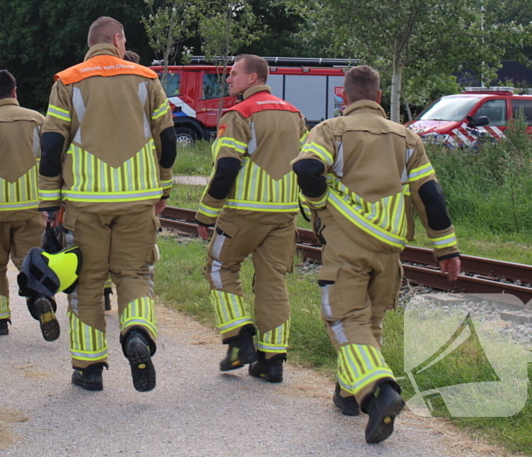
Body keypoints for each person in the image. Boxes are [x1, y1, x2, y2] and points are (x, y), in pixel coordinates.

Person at [292, 65, 462, 445]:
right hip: (389, 249)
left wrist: (319, 203)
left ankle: (379, 390)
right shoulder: (407, 139)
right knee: (369, 321)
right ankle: (348, 395)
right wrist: (445, 249)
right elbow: (430, 197)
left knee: (342, 318)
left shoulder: (331, 130)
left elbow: (306, 167)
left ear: (344, 96)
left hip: (347, 246)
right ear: (380, 97)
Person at [39, 16, 177, 392]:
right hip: (137, 202)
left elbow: (51, 146)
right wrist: (162, 188)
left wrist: (50, 201)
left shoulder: (67, 81)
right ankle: (137, 332)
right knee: (135, 274)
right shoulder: (147, 79)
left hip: (86, 203)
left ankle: (89, 368)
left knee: (87, 282)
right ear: (117, 39)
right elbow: (168, 138)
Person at [194, 55, 307, 384]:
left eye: (233, 74)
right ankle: (272, 362)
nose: (228, 80)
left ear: (253, 77)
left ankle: (238, 338)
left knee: (219, 267)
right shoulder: (295, 114)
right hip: (284, 214)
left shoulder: (239, 114)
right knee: (273, 281)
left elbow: (227, 167)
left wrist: (208, 211)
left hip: (244, 212)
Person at [0, 69, 58, 340]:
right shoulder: (38, 121)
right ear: (15, 91)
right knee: (30, 260)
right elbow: (54, 160)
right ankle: (39, 299)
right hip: (33, 207)